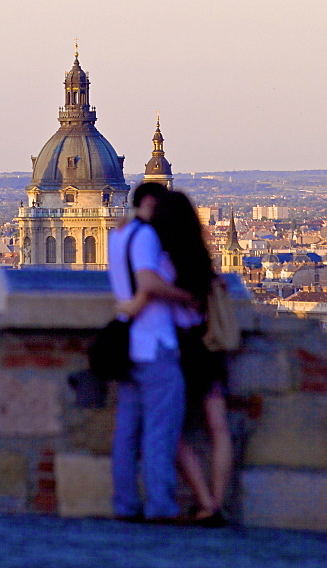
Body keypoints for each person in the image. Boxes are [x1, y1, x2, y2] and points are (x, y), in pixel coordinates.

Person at [121, 190, 232, 526]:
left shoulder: (164, 258)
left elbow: (150, 288)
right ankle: (217, 503)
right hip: (209, 347)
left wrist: (130, 308)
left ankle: (204, 500)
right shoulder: (200, 255)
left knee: (171, 429)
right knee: (219, 428)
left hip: (181, 347)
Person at [108, 182, 194, 523]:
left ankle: (126, 504)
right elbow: (147, 284)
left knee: (127, 432)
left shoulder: (119, 234)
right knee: (161, 431)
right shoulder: (146, 235)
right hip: (154, 342)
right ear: (149, 203)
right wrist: (185, 296)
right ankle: (161, 506)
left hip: (129, 344)